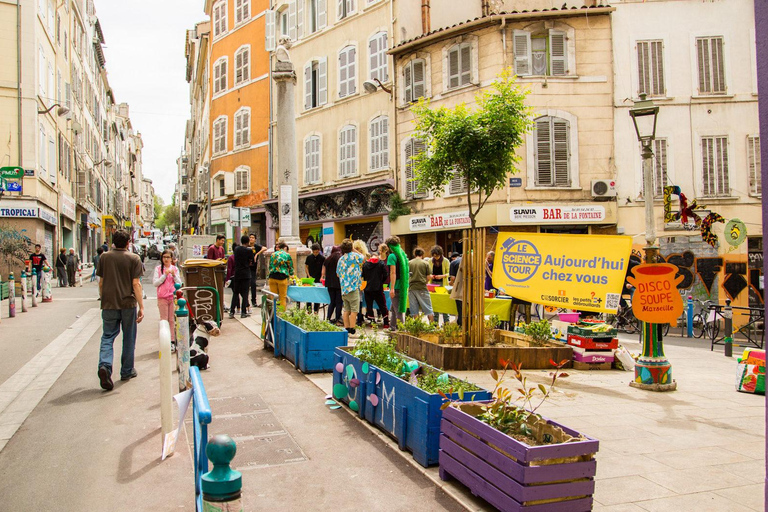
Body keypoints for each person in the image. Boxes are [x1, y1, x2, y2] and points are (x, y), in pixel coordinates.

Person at [96, 230, 145, 391]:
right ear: (128, 243)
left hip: (109, 303)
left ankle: (105, 365)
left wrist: (104, 298)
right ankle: (126, 370)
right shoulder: (134, 258)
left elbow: (101, 282)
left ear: (114, 242)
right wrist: (141, 306)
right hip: (127, 304)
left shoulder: (104, 257)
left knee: (108, 336)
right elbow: (136, 284)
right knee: (129, 337)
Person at [153, 249, 182, 347]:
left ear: (171, 259)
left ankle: (172, 341)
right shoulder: (158, 269)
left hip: (172, 297)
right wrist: (164, 275)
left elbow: (179, 283)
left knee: (172, 319)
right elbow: (155, 283)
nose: (166, 259)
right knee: (164, 320)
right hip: (162, 297)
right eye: (164, 257)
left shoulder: (175, 269)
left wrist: (173, 275)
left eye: (168, 257)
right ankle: (164, 341)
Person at [336, 239, 364, 335]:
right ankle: (353, 330)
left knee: (346, 310)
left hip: (344, 289)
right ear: (351, 247)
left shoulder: (340, 259)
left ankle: (346, 329)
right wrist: (353, 250)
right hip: (353, 288)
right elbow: (363, 258)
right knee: (354, 311)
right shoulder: (355, 256)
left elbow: (338, 274)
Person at [231, 236, 258, 319]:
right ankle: (243, 312)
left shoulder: (236, 249)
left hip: (237, 273)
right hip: (246, 273)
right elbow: (252, 261)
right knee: (245, 293)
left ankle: (232, 311)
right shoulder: (249, 250)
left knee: (236, 292)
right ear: (248, 242)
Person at [362, 246, 389, 328]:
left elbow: (363, 276)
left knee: (369, 306)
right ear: (377, 256)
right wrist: (381, 282)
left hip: (368, 289)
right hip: (378, 288)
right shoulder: (381, 264)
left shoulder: (365, 265)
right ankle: (386, 323)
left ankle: (372, 322)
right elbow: (386, 275)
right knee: (382, 305)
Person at [386, 236, 409, 331]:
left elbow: (393, 272)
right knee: (394, 308)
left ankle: (402, 330)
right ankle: (392, 327)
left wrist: (392, 288)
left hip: (396, 286)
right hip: (404, 285)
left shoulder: (392, 256)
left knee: (398, 310)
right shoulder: (403, 255)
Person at [408, 247, 434, 322]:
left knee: (414, 310)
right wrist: (425, 282)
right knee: (428, 309)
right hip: (422, 287)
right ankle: (431, 326)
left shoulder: (409, 263)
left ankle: (418, 327)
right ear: (422, 254)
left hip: (412, 288)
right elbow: (429, 277)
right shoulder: (425, 263)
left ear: (414, 254)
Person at [267, 241, 294, 311]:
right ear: (284, 247)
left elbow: (270, 266)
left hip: (272, 278)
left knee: (273, 297)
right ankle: (281, 315)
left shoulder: (273, 254)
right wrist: (291, 275)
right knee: (282, 297)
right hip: (282, 278)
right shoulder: (287, 255)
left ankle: (274, 314)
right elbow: (290, 267)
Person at [428, 245, 451, 324]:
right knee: (435, 303)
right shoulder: (430, 261)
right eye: (434, 256)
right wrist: (431, 276)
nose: (436, 258)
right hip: (433, 284)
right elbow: (427, 272)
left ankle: (446, 323)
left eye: (437, 256)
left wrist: (443, 276)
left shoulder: (446, 261)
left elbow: (449, 273)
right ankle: (435, 323)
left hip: (443, 284)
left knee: (444, 303)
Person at [322, 246, 343, 325]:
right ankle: (337, 319)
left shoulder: (328, 259)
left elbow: (324, 270)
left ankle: (328, 318)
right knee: (339, 302)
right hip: (339, 284)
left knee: (332, 302)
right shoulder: (340, 259)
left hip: (329, 284)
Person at [304, 243, 325, 313]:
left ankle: (316, 310)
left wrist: (322, 276)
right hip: (310, 278)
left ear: (319, 251)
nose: (315, 253)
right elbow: (306, 267)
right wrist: (308, 275)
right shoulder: (309, 257)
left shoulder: (322, 258)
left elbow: (324, 268)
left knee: (317, 294)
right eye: (314, 252)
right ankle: (309, 310)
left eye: (316, 252)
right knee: (309, 294)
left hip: (318, 278)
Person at [247, 234, 266, 308]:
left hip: (253, 269)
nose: (251, 239)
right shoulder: (246, 246)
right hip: (246, 268)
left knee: (253, 284)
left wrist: (257, 254)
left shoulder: (256, 247)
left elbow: (264, 248)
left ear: (255, 239)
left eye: (253, 238)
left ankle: (254, 301)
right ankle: (246, 302)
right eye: (250, 237)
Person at [449, 252, 462, 325]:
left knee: (460, 307)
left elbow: (452, 278)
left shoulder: (453, 263)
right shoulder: (471, 261)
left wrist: (451, 283)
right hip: (471, 288)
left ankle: (460, 323)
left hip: (459, 288)